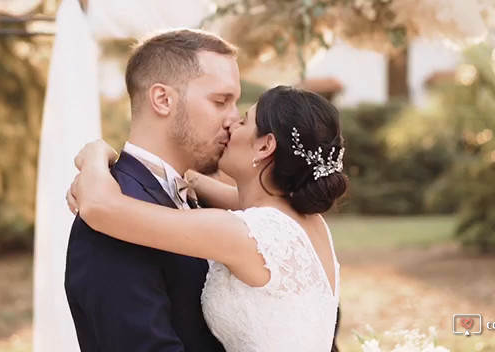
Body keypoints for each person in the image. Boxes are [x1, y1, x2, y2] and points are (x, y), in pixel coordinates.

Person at [69, 85, 348, 351]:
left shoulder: (242, 233)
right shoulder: (306, 222)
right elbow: (195, 184)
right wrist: (179, 172)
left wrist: (94, 156)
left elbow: (99, 207)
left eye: (244, 121)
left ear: (265, 146)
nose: (231, 123)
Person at [63, 29, 238, 352]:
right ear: (162, 99)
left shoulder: (193, 196)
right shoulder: (110, 219)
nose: (234, 119)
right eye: (220, 101)